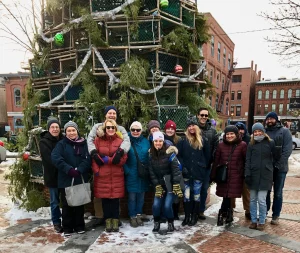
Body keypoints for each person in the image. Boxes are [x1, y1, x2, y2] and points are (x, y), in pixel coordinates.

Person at [87, 105, 130, 225]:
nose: (111, 115)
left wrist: (120, 152)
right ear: (105, 115)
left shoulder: (120, 129)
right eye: (109, 113)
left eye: (114, 113)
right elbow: (90, 140)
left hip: (115, 170)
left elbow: (126, 141)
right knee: (102, 195)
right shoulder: (97, 127)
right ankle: (102, 218)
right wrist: (94, 153)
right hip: (101, 169)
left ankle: (114, 219)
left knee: (115, 196)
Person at [51, 121, 91, 236]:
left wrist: (80, 169)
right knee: (67, 204)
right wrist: (68, 169)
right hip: (66, 179)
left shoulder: (84, 143)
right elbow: (56, 158)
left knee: (79, 203)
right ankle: (67, 227)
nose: (71, 132)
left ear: (77, 131)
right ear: (65, 132)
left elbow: (88, 159)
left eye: (73, 130)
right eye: (69, 130)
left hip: (80, 177)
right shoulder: (61, 144)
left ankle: (79, 226)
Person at [245, 123, 281, 231]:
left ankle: (261, 221)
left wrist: (278, 148)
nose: (257, 133)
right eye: (255, 131)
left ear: (263, 131)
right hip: (253, 175)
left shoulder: (270, 143)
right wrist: (247, 173)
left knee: (261, 200)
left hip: (266, 175)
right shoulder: (251, 144)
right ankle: (253, 221)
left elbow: (276, 157)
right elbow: (248, 160)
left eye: (259, 131)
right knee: (252, 200)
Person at [211, 125, 247, 226]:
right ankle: (225, 213)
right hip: (224, 175)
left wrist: (244, 173)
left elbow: (246, 160)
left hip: (236, 175)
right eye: (228, 134)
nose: (230, 136)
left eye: (232, 134)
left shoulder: (242, 145)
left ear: (236, 134)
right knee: (225, 195)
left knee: (229, 195)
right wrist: (213, 175)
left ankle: (224, 213)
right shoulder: (221, 145)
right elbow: (216, 160)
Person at [177, 116, 210, 226]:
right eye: (189, 126)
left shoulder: (203, 140)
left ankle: (194, 216)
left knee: (196, 195)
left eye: (193, 125)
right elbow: (179, 156)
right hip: (186, 173)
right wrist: (183, 167)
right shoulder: (183, 141)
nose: (191, 128)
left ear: (196, 127)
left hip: (198, 173)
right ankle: (187, 216)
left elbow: (208, 157)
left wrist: (202, 166)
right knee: (186, 196)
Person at [149, 131, 182, 233]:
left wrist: (176, 184)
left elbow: (176, 170)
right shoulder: (150, 154)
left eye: (160, 141)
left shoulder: (169, 153)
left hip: (170, 184)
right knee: (156, 205)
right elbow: (151, 172)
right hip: (159, 185)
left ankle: (171, 223)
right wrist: (157, 185)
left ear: (163, 141)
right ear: (153, 142)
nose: (158, 143)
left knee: (167, 205)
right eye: (156, 141)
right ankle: (156, 222)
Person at [265, 112, 293, 225]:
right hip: (267, 167)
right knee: (266, 191)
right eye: (268, 119)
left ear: (276, 120)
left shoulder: (285, 131)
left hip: (280, 168)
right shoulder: (264, 131)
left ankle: (276, 215)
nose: (269, 121)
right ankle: (264, 212)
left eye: (272, 118)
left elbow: (287, 150)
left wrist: (278, 164)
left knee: (277, 193)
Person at [39, 117, 64, 233]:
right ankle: (56, 222)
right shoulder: (44, 142)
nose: (55, 129)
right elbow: (49, 159)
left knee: (66, 199)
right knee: (54, 201)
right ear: (49, 129)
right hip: (52, 176)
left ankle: (67, 220)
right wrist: (64, 165)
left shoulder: (63, 139)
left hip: (64, 176)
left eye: (57, 127)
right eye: (52, 127)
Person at [124, 121, 150, 228]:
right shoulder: (126, 141)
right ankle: (132, 216)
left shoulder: (146, 142)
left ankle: (139, 214)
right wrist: (127, 171)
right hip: (132, 174)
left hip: (143, 174)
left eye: (138, 130)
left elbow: (149, 156)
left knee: (141, 196)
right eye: (133, 130)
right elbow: (122, 158)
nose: (135, 132)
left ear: (141, 131)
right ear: (130, 130)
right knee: (132, 197)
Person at [197, 108, 219, 220]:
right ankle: (193, 210)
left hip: (206, 165)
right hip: (195, 165)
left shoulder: (213, 131)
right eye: (202, 115)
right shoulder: (193, 129)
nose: (204, 117)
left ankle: (201, 210)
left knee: (204, 189)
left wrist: (212, 160)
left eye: (206, 115)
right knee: (194, 189)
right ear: (198, 115)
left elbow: (216, 147)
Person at [232, 121, 251, 220]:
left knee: (247, 191)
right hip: (234, 169)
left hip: (245, 169)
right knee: (231, 191)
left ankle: (248, 210)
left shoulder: (249, 140)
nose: (240, 131)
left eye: (241, 129)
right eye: (238, 129)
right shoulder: (231, 140)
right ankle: (230, 209)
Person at [164, 119, 182, 220]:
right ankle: (167, 212)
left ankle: (175, 212)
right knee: (166, 191)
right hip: (165, 169)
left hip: (176, 169)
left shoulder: (178, 140)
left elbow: (182, 155)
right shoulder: (161, 139)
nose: (170, 130)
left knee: (176, 191)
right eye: (168, 128)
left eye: (172, 129)